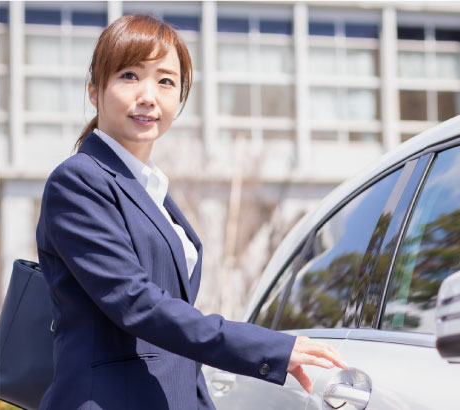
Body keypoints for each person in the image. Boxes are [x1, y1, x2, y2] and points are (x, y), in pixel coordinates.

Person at [35, 14, 346, 410]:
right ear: (95, 90)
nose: (149, 96)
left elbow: (174, 340)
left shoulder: (154, 192)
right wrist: (269, 347)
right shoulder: (79, 180)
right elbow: (137, 303)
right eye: (130, 75)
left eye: (166, 81)